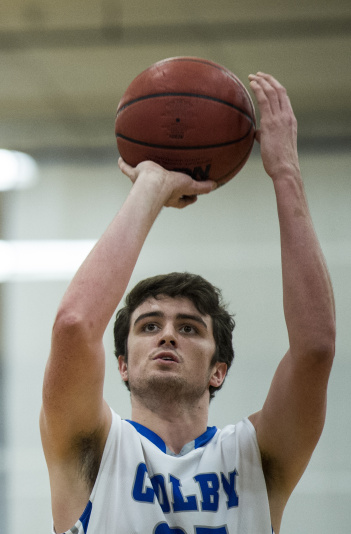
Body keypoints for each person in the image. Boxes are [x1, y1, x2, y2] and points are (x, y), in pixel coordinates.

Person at [40, 72, 336, 534]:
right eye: (149, 326)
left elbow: (315, 348)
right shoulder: (94, 448)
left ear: (218, 369)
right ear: (121, 364)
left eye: (190, 328)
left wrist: (286, 173)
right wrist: (150, 187)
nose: (168, 334)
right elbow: (75, 325)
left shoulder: (256, 456)